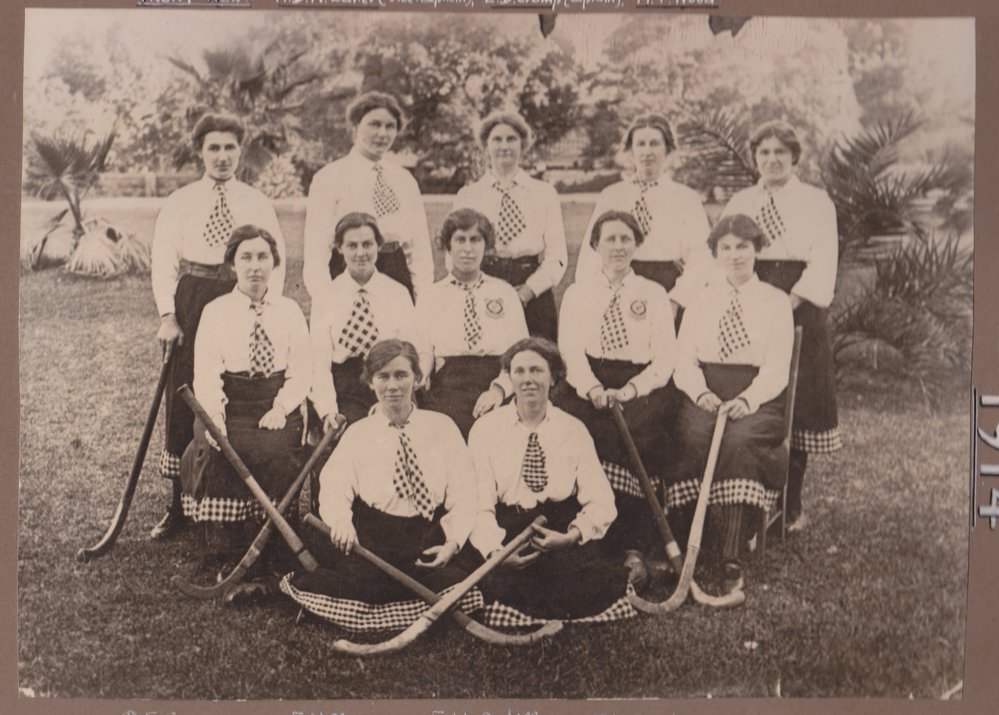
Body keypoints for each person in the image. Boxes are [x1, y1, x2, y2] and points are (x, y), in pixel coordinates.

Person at [281, 340, 481, 632]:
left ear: (418, 378)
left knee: (457, 580)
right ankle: (385, 602)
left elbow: (464, 494)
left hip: (425, 535)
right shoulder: (359, 434)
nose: (393, 386)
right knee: (365, 585)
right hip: (374, 538)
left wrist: (452, 543)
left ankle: (395, 602)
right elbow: (336, 488)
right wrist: (342, 523)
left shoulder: (442, 427)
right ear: (370, 382)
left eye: (401, 375)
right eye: (383, 376)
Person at [150, 113, 287, 540]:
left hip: (241, 293)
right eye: (214, 148)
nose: (222, 156)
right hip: (192, 296)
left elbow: (272, 257)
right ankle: (179, 505)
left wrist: (267, 306)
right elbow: (163, 261)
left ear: (240, 152)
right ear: (200, 152)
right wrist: (168, 316)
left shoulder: (256, 201)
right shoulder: (180, 200)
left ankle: (242, 502)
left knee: (238, 389)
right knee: (185, 395)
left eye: (230, 148)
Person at [720, 120, 842, 530]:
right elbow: (723, 252)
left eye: (780, 153)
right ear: (755, 157)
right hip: (748, 298)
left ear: (794, 157)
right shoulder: (741, 199)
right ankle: (750, 498)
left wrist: (784, 305)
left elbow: (823, 261)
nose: (771, 160)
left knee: (797, 402)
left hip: (797, 303)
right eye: (764, 153)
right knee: (753, 392)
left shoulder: (815, 201)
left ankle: (790, 503)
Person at [467, 338, 635, 624]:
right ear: (509, 377)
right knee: (499, 584)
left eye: (537, 371)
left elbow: (601, 500)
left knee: (586, 583)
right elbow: (478, 504)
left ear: (554, 377)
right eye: (519, 372)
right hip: (511, 531)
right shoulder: (485, 429)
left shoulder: (573, 429)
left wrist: (571, 536)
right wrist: (496, 552)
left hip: (559, 529)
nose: (528, 380)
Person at [668, 214, 794, 594]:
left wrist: (747, 399)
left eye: (743, 246)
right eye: (726, 247)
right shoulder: (701, 299)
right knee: (692, 437)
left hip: (757, 396)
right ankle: (695, 537)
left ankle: (731, 552)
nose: (735, 255)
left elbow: (776, 368)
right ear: (715, 253)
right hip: (705, 390)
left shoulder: (775, 302)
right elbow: (683, 359)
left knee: (738, 442)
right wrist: (701, 393)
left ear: (757, 249)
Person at [183, 225, 309, 582]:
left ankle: (275, 546)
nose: (255, 266)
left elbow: (302, 369)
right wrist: (215, 421)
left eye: (263, 257)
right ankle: (229, 548)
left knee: (277, 451)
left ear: (275, 263)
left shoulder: (289, 310)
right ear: (232, 265)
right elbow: (206, 373)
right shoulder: (215, 310)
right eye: (246, 257)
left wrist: (282, 408)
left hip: (274, 404)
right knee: (220, 451)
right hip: (229, 406)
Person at [558, 211, 677, 581]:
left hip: (640, 387)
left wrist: (630, 389)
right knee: (577, 436)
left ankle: (632, 545)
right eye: (610, 239)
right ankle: (586, 540)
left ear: (637, 245)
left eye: (626, 239)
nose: (618, 247)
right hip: (588, 382)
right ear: (595, 246)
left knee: (632, 442)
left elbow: (665, 358)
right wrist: (592, 388)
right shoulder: (579, 293)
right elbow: (570, 351)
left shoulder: (653, 294)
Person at [574, 114, 711, 315]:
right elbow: (592, 252)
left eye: (655, 144)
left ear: (668, 149)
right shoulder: (612, 195)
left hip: (667, 286)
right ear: (630, 151)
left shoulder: (685, 198)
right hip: (618, 282)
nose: (647, 152)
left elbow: (702, 255)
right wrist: (595, 294)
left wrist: (677, 299)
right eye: (641, 144)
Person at [302, 91, 432, 302]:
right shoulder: (330, 177)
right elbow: (317, 248)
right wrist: (326, 299)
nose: (382, 133)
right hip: (350, 270)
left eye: (390, 126)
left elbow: (419, 246)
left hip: (395, 268)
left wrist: (423, 295)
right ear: (355, 126)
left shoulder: (404, 179)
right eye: (374, 124)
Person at [452, 111, 567, 341]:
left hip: (532, 286)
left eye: (511, 139)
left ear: (523, 145)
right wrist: (477, 288)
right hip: (484, 281)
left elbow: (558, 256)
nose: (504, 146)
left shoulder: (543, 193)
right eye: (497, 139)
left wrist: (527, 292)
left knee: (537, 359)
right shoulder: (469, 195)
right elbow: (453, 253)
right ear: (486, 145)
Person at [417, 208, 528, 438]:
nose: (468, 249)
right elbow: (424, 351)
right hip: (449, 384)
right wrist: (420, 376)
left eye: (475, 240)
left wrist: (499, 390)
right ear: (448, 246)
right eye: (460, 240)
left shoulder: (504, 292)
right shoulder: (431, 295)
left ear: (486, 246)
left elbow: (521, 354)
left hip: (495, 378)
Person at [309, 212, 421, 429]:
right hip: (346, 387)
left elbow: (409, 353)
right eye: (352, 246)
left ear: (378, 246)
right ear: (339, 248)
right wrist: (328, 410)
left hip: (391, 380)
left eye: (367, 244)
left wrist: (389, 400)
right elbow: (319, 364)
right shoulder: (326, 296)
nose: (361, 253)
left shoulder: (397, 293)